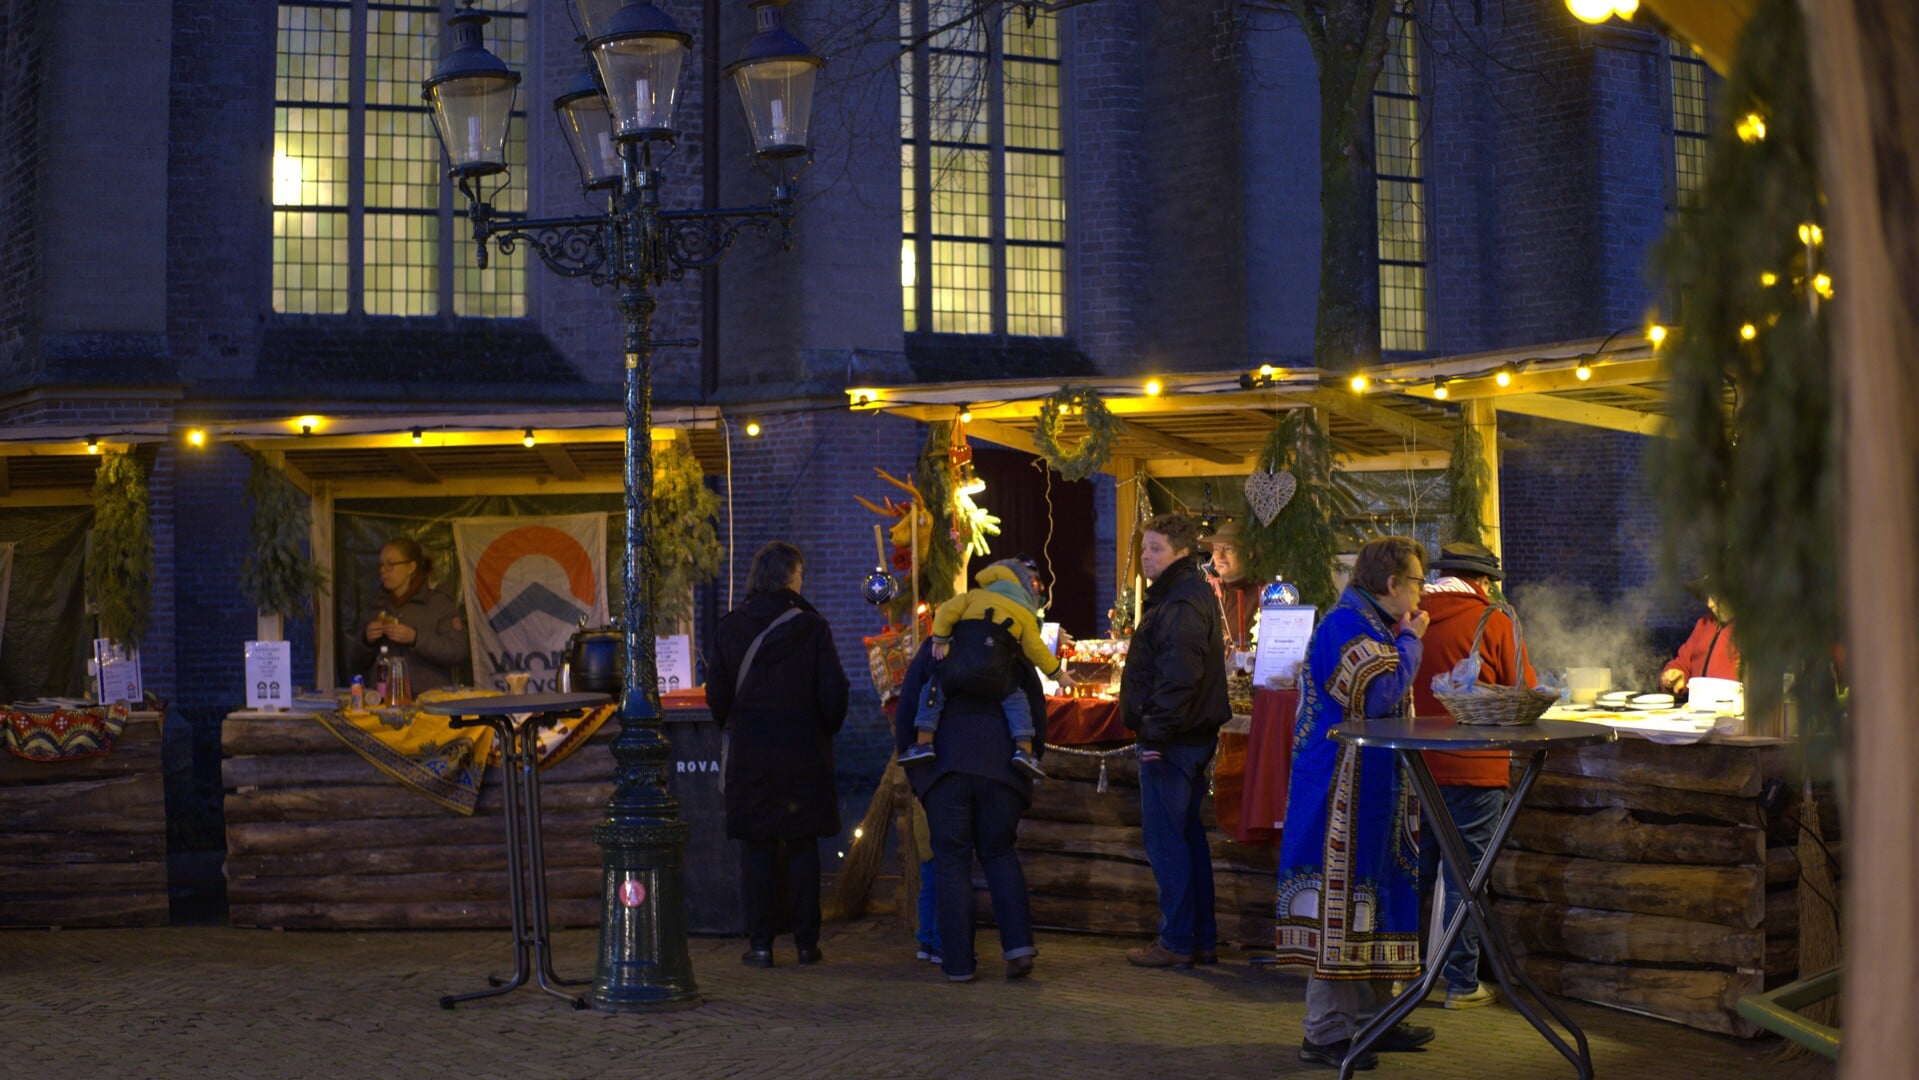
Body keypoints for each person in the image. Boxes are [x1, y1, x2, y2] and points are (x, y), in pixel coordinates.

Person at [1276, 535, 1436, 1070]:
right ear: (1392, 584)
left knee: (1374, 900)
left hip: (1371, 790)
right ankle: (1323, 1032)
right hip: (1337, 795)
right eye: (1416, 582)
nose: (1420, 592)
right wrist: (1412, 641)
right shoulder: (1346, 626)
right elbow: (1378, 694)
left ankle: (1373, 1021)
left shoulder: (1369, 623)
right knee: (1338, 905)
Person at [706, 541, 849, 969]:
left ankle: (762, 945)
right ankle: (807, 944)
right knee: (804, 847)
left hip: (752, 758)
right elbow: (834, 695)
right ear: (790, 577)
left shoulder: (731, 627)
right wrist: (821, 729)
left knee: (758, 849)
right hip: (803, 756)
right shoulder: (813, 627)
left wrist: (739, 725)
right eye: (800, 574)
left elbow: (717, 696)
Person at [1411, 541, 1538, 1011]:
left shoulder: (1412, 616)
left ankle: (1403, 975)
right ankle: (1461, 982)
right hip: (1476, 765)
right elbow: (1520, 687)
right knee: (1467, 876)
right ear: (1482, 581)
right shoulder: (1493, 619)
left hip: (1416, 762)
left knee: (1417, 873)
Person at [894, 629, 1046, 983]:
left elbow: (907, 709)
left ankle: (959, 964)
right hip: (1001, 768)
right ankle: (1019, 947)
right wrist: (1027, 763)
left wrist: (919, 780)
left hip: (945, 770)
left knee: (951, 863)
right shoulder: (1011, 647)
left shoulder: (937, 646)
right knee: (1000, 854)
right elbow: (1036, 710)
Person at [1119, 512, 1232, 969]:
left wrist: (1155, 734)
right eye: (1145, 549)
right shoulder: (1182, 595)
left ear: (1182, 553)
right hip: (1183, 736)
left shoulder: (1181, 602)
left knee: (1167, 840)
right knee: (1184, 838)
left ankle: (1178, 940)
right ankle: (1198, 938)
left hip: (1174, 740)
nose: (1147, 557)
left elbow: (1178, 678)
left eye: (1156, 549)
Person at [900, 558, 1069, 779]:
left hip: (958, 670)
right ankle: (1024, 750)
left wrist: (940, 639)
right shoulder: (1024, 613)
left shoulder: (972, 597)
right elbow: (1036, 649)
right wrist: (1059, 675)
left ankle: (923, 742)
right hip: (997, 676)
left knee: (932, 691)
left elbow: (946, 612)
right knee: (1018, 701)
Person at [347, 537, 466, 694]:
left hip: (427, 699)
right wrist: (366, 640)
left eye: (390, 565)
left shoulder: (438, 602)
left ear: (411, 567)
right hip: (382, 700)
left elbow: (457, 651)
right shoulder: (376, 603)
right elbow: (354, 661)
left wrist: (415, 638)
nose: (383, 570)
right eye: (381, 565)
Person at [1660, 579, 1741, 695]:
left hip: (1731, 709)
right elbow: (1683, 662)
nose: (1710, 604)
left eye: (1716, 596)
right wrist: (1673, 675)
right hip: (1696, 709)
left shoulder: (1749, 630)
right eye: (1707, 596)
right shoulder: (1703, 624)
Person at [1202, 520, 1262, 652]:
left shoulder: (1264, 594)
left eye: (1228, 549)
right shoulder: (1206, 594)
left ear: (1249, 554)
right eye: (1216, 548)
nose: (1219, 556)